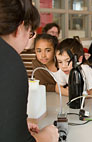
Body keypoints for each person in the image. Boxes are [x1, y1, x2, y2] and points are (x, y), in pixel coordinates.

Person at [0, 0, 58, 142]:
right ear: (19, 28)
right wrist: (46, 137)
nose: (27, 43)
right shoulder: (10, 62)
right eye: (30, 33)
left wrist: (16, 124)